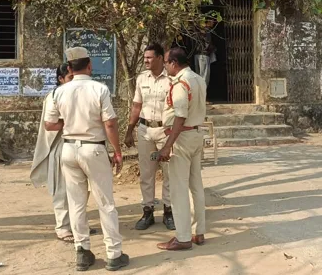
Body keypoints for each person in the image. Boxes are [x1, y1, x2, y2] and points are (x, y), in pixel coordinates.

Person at [44, 47, 130, 272]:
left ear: (69, 68)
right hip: (94, 149)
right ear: (90, 65)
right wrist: (117, 151)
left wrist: (70, 123)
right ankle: (114, 253)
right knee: (105, 203)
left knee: (76, 203)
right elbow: (109, 123)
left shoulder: (59, 92)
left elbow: (49, 124)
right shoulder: (99, 89)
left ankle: (82, 252)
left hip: (69, 149)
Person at [30, 64, 97, 243]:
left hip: (82, 145)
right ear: (60, 79)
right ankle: (63, 227)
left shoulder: (80, 93)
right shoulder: (54, 96)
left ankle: (79, 225)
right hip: (60, 146)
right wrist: (72, 121)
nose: (74, 81)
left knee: (81, 189)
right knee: (62, 190)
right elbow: (50, 125)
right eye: (69, 78)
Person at [156, 47, 207, 251]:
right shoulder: (198, 79)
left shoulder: (180, 83)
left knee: (178, 189)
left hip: (181, 137)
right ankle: (198, 232)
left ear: (174, 63)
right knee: (196, 185)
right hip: (195, 134)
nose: (165, 66)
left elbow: (180, 116)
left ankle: (183, 237)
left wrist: (168, 145)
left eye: (166, 62)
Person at [124, 43, 174, 231]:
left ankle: (169, 211)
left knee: (169, 172)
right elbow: (136, 106)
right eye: (145, 57)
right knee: (146, 173)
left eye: (149, 57)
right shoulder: (141, 78)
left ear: (160, 58)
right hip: (145, 130)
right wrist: (129, 130)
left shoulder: (171, 79)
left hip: (165, 131)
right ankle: (147, 211)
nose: (145, 60)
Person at [194, 20, 216, 88]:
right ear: (208, 21)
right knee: (204, 76)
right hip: (203, 55)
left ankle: (198, 92)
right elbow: (207, 43)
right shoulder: (207, 30)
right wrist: (212, 49)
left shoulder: (198, 30)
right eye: (212, 21)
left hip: (197, 55)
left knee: (198, 76)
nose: (213, 23)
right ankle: (203, 92)